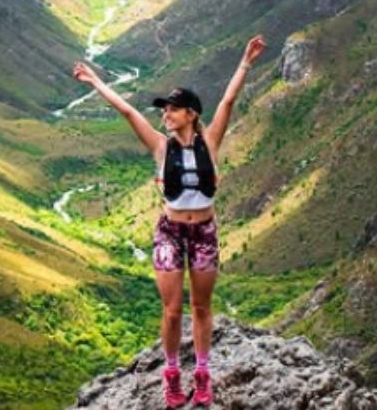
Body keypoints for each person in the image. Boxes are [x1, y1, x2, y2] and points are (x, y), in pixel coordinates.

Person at [71, 35, 267, 408]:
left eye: (173, 109)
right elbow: (128, 112)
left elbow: (228, 101)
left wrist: (246, 62)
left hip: (204, 232)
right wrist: (95, 81)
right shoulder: (161, 147)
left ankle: (203, 374)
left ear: (191, 113)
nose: (166, 115)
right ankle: (172, 374)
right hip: (170, 233)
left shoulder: (210, 142)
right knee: (173, 310)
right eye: (165, 110)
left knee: (202, 308)